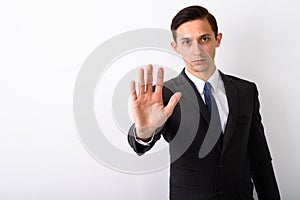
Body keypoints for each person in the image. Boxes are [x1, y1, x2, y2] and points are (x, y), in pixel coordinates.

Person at [127, 5, 280, 200]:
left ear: (218, 40)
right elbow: (139, 144)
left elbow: (259, 157)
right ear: (176, 47)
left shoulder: (246, 91)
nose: (197, 50)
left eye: (204, 39)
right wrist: (144, 132)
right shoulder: (164, 94)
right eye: (187, 42)